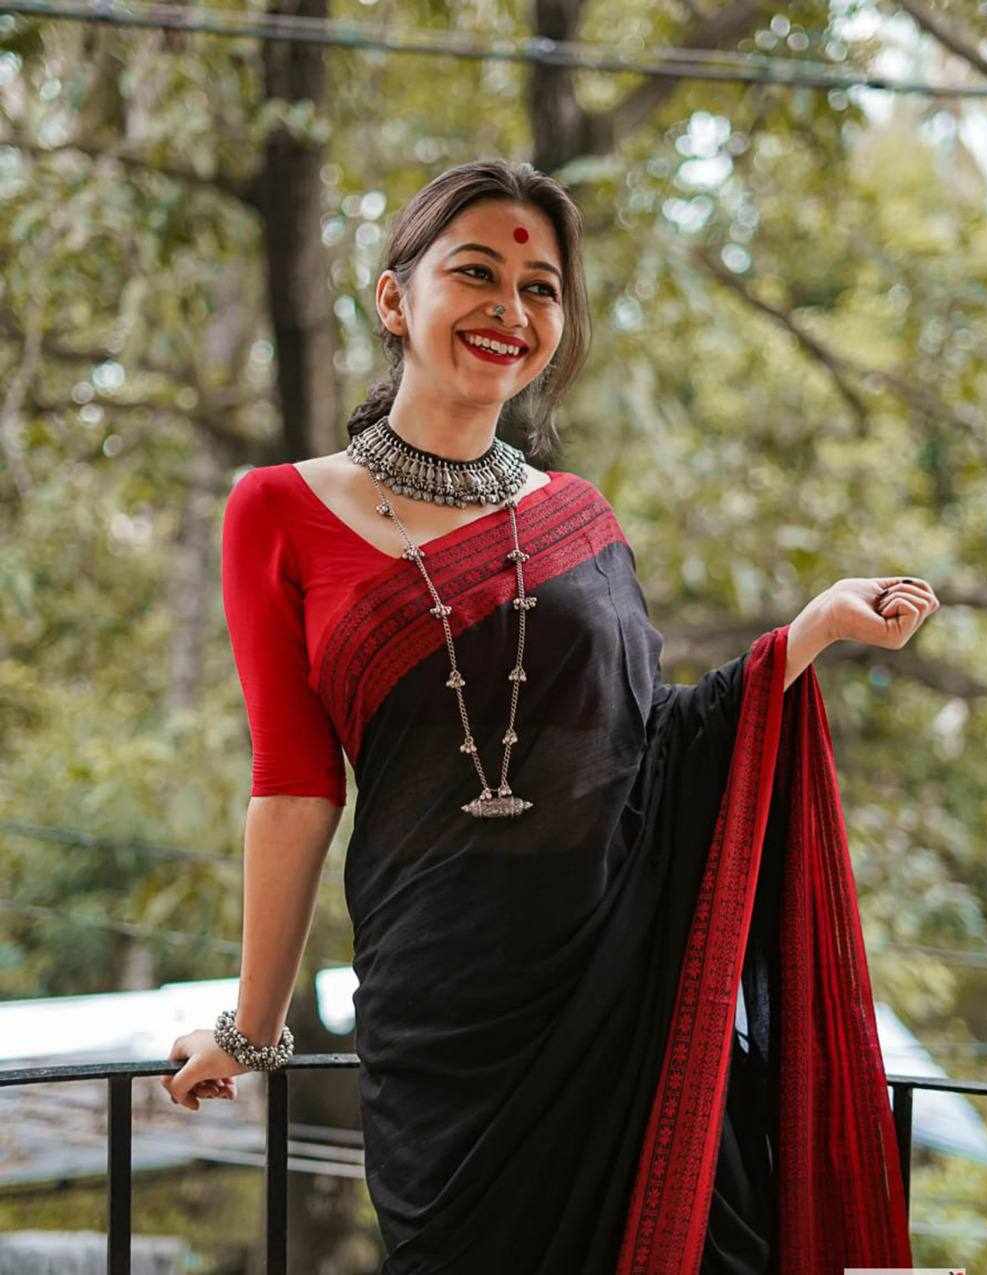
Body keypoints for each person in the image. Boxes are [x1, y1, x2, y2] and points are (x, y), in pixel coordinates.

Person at [161, 159, 940, 1273]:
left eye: (541, 289)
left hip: (620, 999)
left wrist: (806, 634)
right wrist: (250, 1027)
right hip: (445, 1024)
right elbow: (294, 786)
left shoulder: (578, 519)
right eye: (476, 273)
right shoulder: (276, 510)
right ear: (395, 300)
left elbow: (649, 748)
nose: (511, 309)